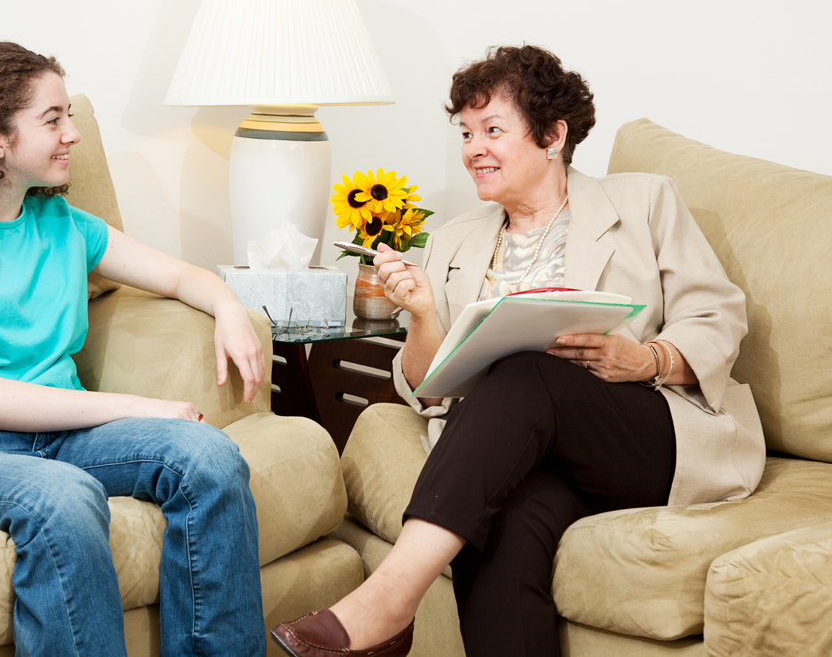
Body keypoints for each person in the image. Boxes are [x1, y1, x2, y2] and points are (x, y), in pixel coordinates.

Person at [271, 45, 765, 657]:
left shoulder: (644, 202)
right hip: (531, 447)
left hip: (642, 430)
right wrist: (424, 316)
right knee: (500, 521)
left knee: (528, 369)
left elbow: (717, 314)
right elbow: (429, 389)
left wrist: (648, 358)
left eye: (493, 130)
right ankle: (397, 609)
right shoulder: (454, 239)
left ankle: (389, 601)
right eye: (466, 132)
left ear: (553, 135)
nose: (473, 147)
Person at [0, 40, 268, 657]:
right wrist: (141, 407)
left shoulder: (64, 224)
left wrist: (227, 307)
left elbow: (179, 276)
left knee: (208, 456)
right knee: (62, 494)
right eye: (53, 119)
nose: (74, 135)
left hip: (62, 436)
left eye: (69, 117)